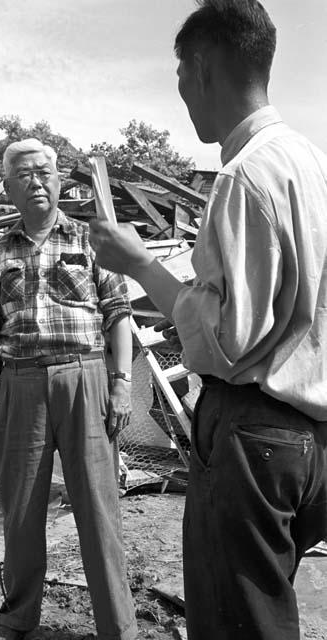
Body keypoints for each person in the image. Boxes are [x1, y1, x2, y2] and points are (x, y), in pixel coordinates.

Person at [89, 1, 327, 639]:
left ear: (201, 68)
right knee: (264, 611)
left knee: (234, 622)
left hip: (254, 438)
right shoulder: (306, 161)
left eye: (178, 78)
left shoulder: (243, 177)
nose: (182, 97)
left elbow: (226, 341)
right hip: (309, 441)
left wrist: (142, 265)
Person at [0, 138, 137, 640]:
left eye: (45, 171)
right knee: (20, 510)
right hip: (19, 384)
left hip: (85, 378)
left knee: (99, 510)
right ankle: (18, 619)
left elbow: (118, 314)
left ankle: (119, 628)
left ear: (61, 179)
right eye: (24, 174)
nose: (37, 181)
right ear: (7, 188)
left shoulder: (92, 241)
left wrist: (122, 384)